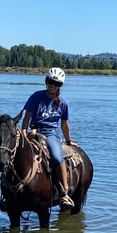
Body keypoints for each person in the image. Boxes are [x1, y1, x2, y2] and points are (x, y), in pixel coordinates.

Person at [23, 67, 77, 209]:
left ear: (60, 86)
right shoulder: (36, 96)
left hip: (50, 133)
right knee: (16, 153)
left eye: (56, 84)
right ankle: (8, 195)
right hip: (34, 131)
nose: (52, 86)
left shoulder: (64, 103)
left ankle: (64, 192)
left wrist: (69, 141)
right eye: (50, 82)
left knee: (57, 157)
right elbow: (27, 117)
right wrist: (23, 132)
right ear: (46, 82)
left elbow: (64, 125)